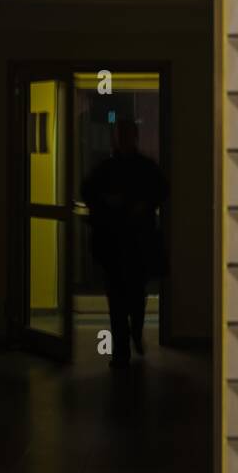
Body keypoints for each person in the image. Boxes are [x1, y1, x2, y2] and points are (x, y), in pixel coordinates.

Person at [80, 118, 168, 368]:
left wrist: (108, 205)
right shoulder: (143, 167)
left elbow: (87, 191)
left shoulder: (108, 168)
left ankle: (126, 343)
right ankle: (126, 343)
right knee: (127, 297)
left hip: (121, 242)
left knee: (126, 297)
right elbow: (162, 190)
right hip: (127, 242)